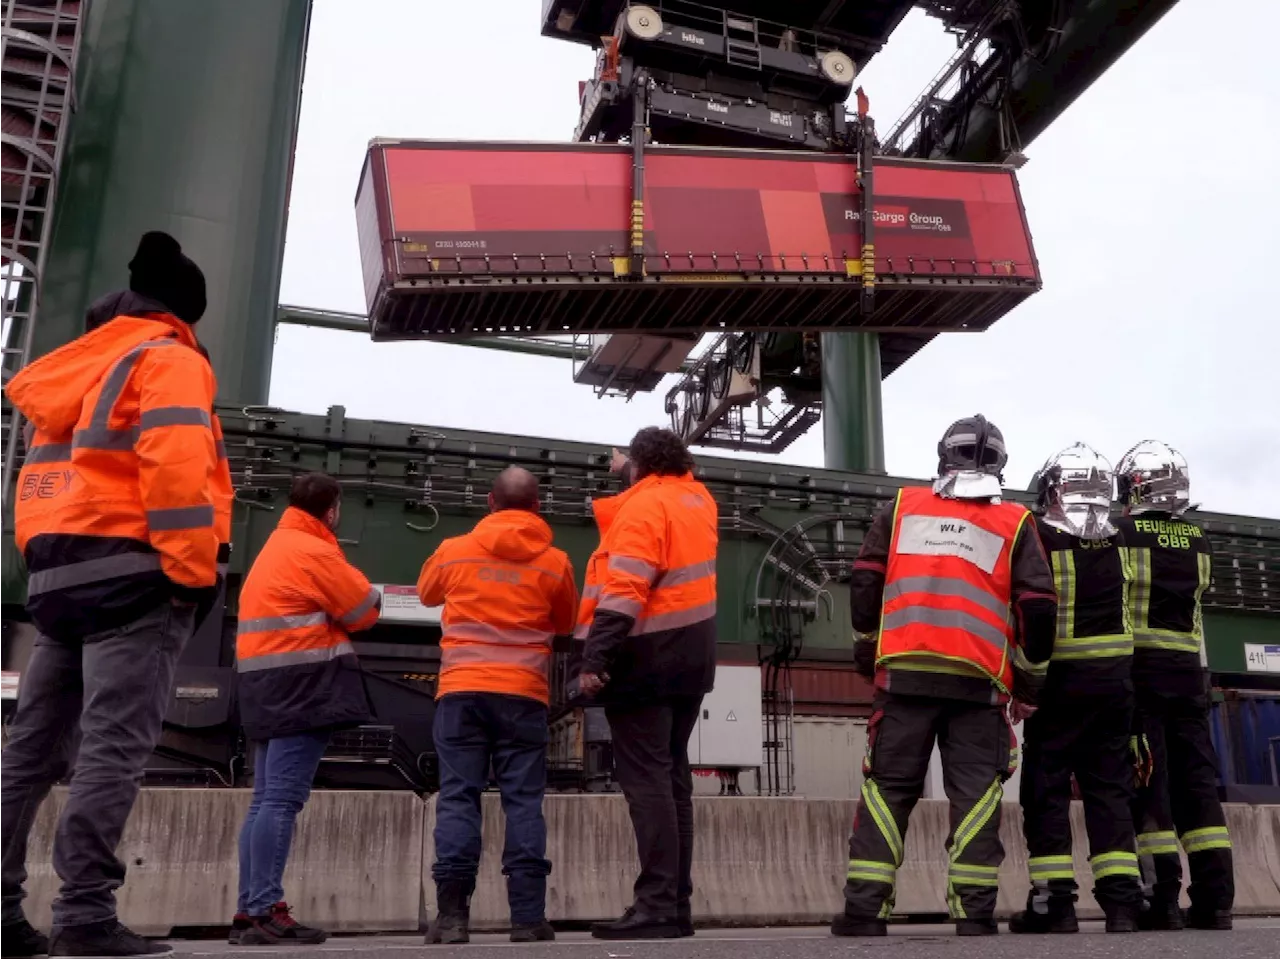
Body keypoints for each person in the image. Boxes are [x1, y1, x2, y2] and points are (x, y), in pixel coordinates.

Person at [0, 232, 224, 958]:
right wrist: (193, 572)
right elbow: (177, 469)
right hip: (133, 577)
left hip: (58, 577)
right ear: (183, 312)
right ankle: (86, 911)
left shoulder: (79, 369)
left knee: (29, 751)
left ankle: (0, 908)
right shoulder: (170, 359)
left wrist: (43, 558)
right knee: (112, 746)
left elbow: (37, 486)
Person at [833, 414, 1057, 938]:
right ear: (1000, 465)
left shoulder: (902, 508)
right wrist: (1028, 686)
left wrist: (868, 655)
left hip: (904, 678)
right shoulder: (1016, 523)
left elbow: (865, 583)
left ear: (942, 454)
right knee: (977, 797)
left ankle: (865, 910)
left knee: (887, 792)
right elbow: (1039, 608)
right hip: (979, 685)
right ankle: (974, 914)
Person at [417, 467, 578, 945]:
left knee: (459, 797)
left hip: (461, 691)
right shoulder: (556, 562)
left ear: (490, 502)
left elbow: (427, 593)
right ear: (536, 507)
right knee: (523, 802)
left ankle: (450, 920)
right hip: (523, 695)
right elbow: (566, 621)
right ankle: (527, 920)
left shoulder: (453, 549)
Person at [577, 427, 718, 941]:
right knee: (673, 781)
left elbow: (627, 585)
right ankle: (675, 904)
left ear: (640, 465)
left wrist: (596, 656)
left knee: (647, 783)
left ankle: (656, 903)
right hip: (691, 660)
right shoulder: (696, 500)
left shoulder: (643, 508)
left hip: (646, 657)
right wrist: (629, 471)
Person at [231, 472, 382, 946]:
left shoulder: (278, 545)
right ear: (332, 509)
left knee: (263, 800)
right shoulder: (313, 550)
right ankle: (264, 910)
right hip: (302, 686)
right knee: (281, 800)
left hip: (264, 682)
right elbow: (363, 610)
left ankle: (248, 911)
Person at [1009, 444, 1142, 934]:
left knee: (1046, 791)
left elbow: (1035, 613)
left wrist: (1027, 682)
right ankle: (1124, 906)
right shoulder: (1123, 536)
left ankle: (1055, 905)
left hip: (1060, 683)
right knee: (1111, 792)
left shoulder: (1037, 532)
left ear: (1051, 491)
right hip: (1115, 684)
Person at [1115, 441, 1233, 931]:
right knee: (1199, 787)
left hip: (1140, 673)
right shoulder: (1199, 540)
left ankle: (1160, 899)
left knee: (1149, 787)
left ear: (1136, 487)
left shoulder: (1120, 533)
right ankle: (1216, 900)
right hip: (1188, 674)